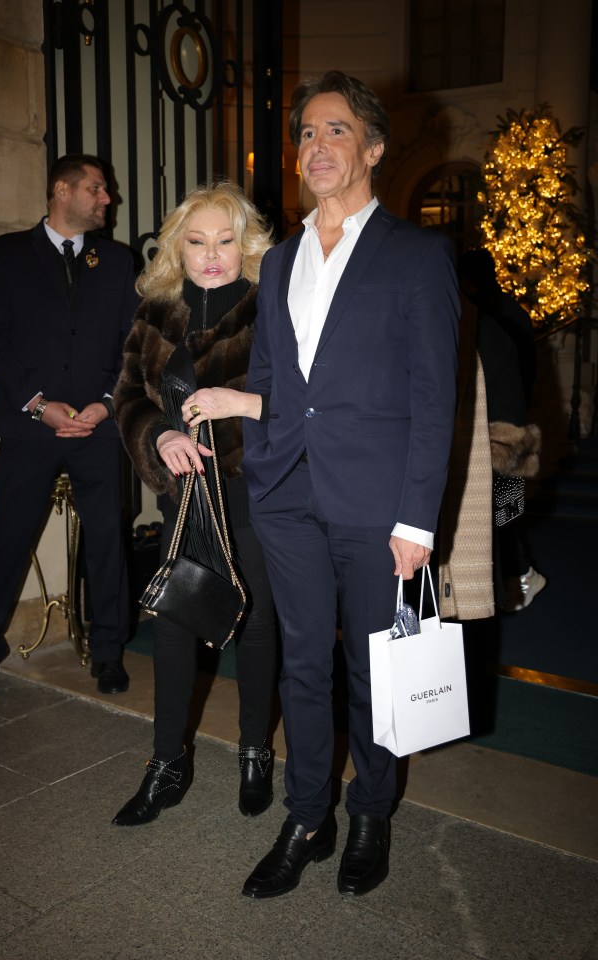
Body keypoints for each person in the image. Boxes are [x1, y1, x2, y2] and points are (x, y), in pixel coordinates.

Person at [184, 71, 460, 899]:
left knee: (375, 667)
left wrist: (418, 518)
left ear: (372, 148)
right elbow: (279, 381)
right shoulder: (279, 265)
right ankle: (309, 814)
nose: (317, 146)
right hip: (288, 495)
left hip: (380, 506)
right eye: (306, 133)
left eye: (336, 131)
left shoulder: (417, 255)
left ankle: (370, 810)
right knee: (302, 663)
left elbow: (433, 396)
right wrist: (250, 420)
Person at [112, 181, 278, 826]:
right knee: (177, 621)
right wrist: (159, 434)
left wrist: (235, 409)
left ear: (248, 244)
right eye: (198, 240)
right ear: (178, 246)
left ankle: (255, 750)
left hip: (257, 491)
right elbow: (129, 395)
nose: (212, 255)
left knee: (259, 624)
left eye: (226, 240)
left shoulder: (276, 309)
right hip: (187, 496)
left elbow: (304, 401)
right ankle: (166, 762)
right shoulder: (157, 310)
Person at [0, 154, 139, 712]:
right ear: (61, 190)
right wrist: (40, 407)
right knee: (7, 542)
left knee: (109, 542)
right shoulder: (8, 253)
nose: (106, 199)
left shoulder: (116, 259)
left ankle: (109, 651)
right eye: (96, 188)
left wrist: (108, 405)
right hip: (30, 428)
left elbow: (132, 344)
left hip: (99, 429)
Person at [458, 248, 545, 612]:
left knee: (500, 517)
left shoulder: (480, 318)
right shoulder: (510, 311)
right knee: (505, 515)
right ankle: (518, 577)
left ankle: (520, 576)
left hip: (496, 430)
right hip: (510, 421)